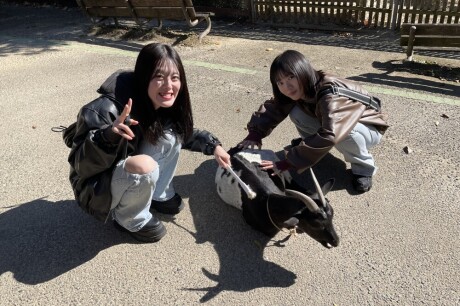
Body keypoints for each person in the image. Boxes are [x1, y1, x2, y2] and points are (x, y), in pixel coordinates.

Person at [66, 43, 231, 243]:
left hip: (124, 170)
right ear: (143, 77)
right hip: (95, 188)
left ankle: (158, 195)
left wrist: (213, 145)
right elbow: (81, 167)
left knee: (171, 136)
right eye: (159, 77)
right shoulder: (105, 109)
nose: (169, 86)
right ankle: (129, 219)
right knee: (145, 165)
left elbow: (184, 133)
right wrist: (108, 136)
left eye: (175, 77)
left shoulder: (158, 102)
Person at [238, 50, 388, 193]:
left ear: (302, 71)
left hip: (368, 127)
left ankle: (364, 168)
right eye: (280, 82)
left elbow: (331, 133)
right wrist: (255, 134)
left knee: (345, 133)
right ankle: (311, 149)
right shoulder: (304, 86)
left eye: (291, 77)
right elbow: (275, 107)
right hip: (334, 123)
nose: (287, 87)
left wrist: (289, 162)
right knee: (296, 111)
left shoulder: (330, 93)